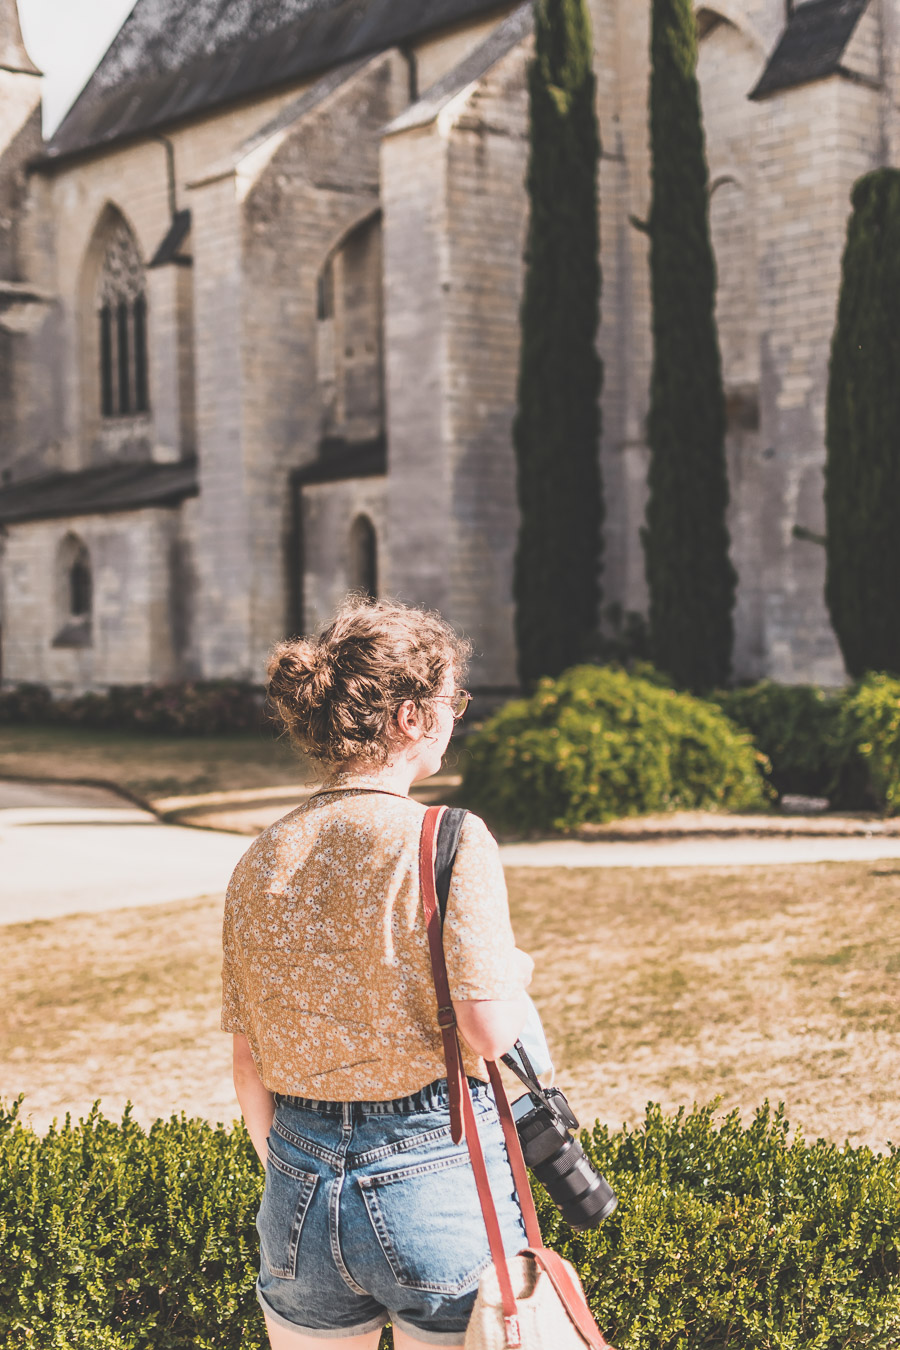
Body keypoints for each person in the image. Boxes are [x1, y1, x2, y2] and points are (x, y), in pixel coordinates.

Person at [222, 597, 535, 1350]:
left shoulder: (260, 855)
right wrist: (517, 972)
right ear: (407, 717)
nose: (456, 716)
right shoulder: (447, 837)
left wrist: (307, 1171)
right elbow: (489, 1030)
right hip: (431, 1172)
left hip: (296, 1187)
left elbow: (246, 1065)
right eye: (449, 700)